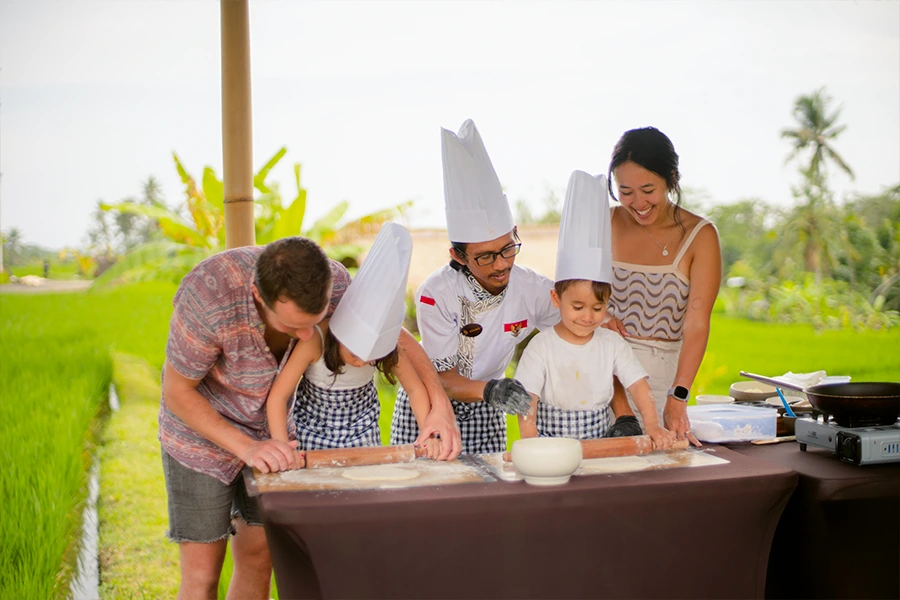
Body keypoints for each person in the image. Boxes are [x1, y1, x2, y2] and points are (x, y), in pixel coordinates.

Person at [160, 236, 460, 600]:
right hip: (201, 439)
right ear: (258, 295)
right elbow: (177, 392)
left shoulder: (335, 285)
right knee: (203, 572)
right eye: (293, 328)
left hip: (279, 442)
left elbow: (393, 335)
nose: (306, 337)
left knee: (258, 558)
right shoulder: (208, 297)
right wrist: (250, 447)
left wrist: (440, 403)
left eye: (315, 323)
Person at [391, 119, 558, 454]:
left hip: (488, 409)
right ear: (458, 255)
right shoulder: (434, 294)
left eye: (508, 248)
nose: (501, 264)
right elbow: (443, 378)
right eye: (485, 257)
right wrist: (492, 389)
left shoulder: (534, 289)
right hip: (428, 405)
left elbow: (574, 328)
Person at [515, 170, 675, 449]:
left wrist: (652, 426)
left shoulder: (611, 344)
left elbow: (638, 385)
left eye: (598, 307)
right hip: (553, 447)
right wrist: (530, 441)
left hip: (602, 445)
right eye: (578, 306)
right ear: (556, 298)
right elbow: (528, 398)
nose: (588, 316)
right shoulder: (542, 347)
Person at [266, 224, 442, 461]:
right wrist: (284, 447)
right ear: (340, 332)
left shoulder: (388, 347)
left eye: (372, 357)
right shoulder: (315, 340)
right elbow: (278, 396)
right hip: (313, 433)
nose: (362, 363)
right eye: (356, 353)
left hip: (362, 431)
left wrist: (427, 435)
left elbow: (415, 388)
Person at [604, 126, 722, 446]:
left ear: (671, 178)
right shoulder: (604, 222)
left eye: (647, 189)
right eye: (625, 191)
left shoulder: (700, 236)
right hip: (597, 374)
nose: (637, 202)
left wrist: (678, 396)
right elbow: (573, 291)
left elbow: (696, 325)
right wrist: (599, 316)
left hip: (656, 381)